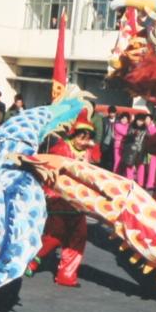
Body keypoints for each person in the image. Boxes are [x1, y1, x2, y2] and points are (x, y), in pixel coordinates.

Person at [25, 108, 95, 287]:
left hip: (78, 202)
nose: (84, 141)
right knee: (53, 237)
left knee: (79, 237)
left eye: (87, 137)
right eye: (82, 137)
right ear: (74, 136)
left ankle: (67, 275)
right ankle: (32, 260)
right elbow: (50, 170)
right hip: (59, 199)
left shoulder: (88, 152)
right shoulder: (61, 148)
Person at [121, 113, 149, 187]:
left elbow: (149, 138)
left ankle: (140, 184)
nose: (139, 122)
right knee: (129, 166)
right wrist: (133, 133)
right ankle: (130, 182)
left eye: (141, 121)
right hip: (131, 151)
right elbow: (128, 134)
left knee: (141, 167)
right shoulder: (131, 126)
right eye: (138, 120)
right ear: (136, 120)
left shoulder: (146, 129)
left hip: (141, 150)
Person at [100, 106, 118, 171]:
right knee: (104, 157)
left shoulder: (118, 120)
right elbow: (102, 131)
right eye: (110, 113)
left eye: (113, 113)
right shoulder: (104, 120)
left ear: (115, 113)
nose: (111, 114)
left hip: (114, 142)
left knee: (112, 159)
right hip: (105, 141)